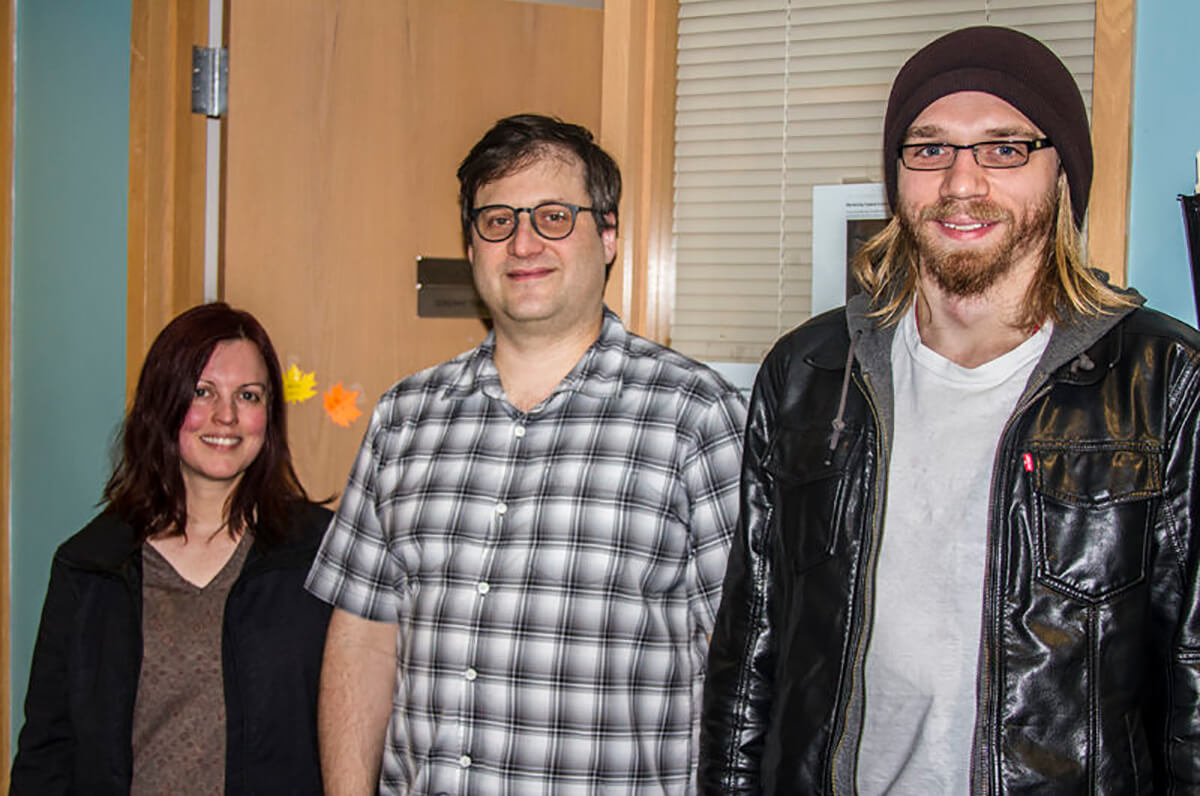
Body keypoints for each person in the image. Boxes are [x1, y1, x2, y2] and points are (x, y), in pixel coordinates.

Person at [700, 26, 1200, 795]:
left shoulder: (1163, 379)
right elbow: (752, 645)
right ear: (898, 177)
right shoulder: (807, 372)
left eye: (1004, 149)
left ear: (1062, 173)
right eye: (929, 149)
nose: (961, 183)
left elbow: (1192, 673)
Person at [305, 113, 747, 794]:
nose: (522, 242)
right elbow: (364, 637)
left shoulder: (697, 415)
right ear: (473, 244)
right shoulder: (404, 419)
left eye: (552, 216)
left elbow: (746, 661)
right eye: (497, 220)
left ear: (608, 236)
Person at [11, 302, 332, 795]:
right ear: (163, 403)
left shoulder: (322, 554)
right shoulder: (91, 566)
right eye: (202, 392)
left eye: (248, 395)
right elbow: (49, 752)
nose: (226, 416)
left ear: (269, 415)